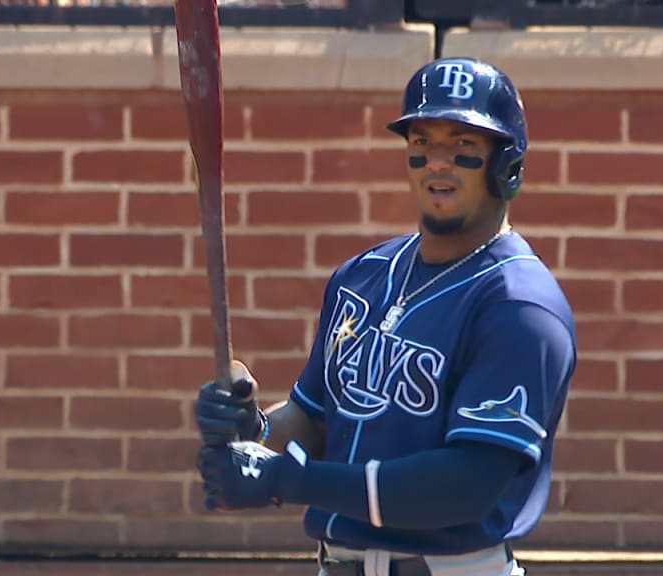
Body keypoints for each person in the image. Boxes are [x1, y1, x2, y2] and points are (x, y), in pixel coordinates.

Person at [194, 57, 576, 576]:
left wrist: (284, 480)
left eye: (463, 145)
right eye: (422, 143)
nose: (437, 161)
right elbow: (320, 421)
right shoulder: (363, 275)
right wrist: (256, 429)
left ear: (506, 166)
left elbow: (467, 485)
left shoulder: (519, 306)